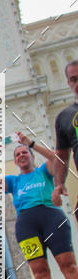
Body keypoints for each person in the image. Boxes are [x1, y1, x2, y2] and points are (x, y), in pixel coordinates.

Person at [6, 133, 78, 279]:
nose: (21, 155)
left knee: (68, 264)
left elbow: (58, 158)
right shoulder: (14, 181)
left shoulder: (43, 171)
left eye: (24, 152)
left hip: (52, 218)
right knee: (39, 271)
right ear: (16, 162)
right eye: (17, 155)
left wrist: (30, 144)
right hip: (26, 226)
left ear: (32, 156)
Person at [53, 59, 78, 218]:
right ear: (68, 82)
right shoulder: (64, 117)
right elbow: (62, 155)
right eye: (74, 79)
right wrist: (59, 183)